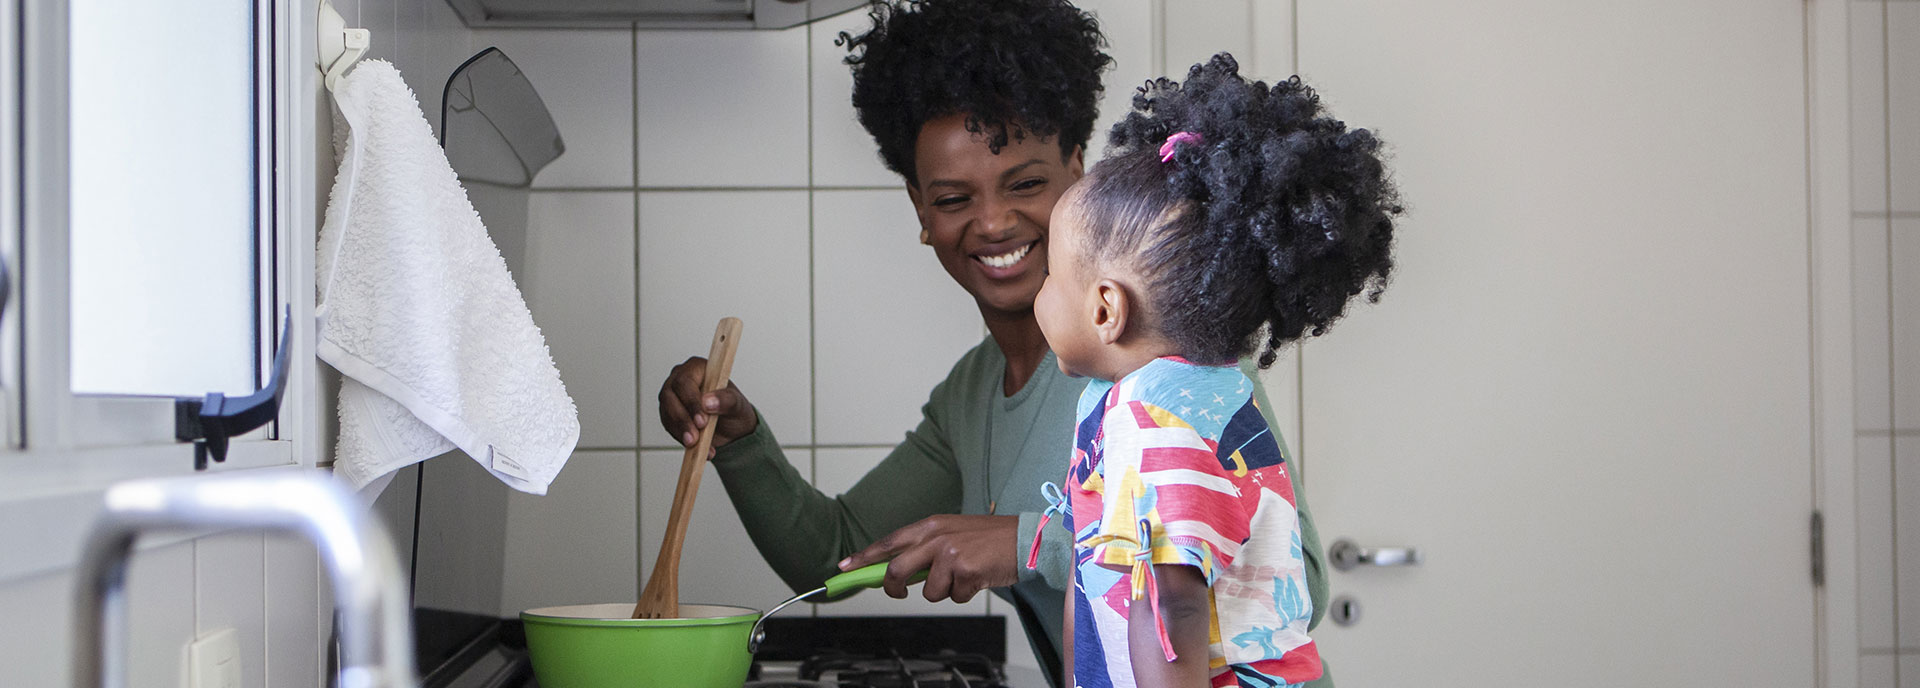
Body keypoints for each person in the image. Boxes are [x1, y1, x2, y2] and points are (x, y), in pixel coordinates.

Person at [653, 2, 1331, 685]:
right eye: (952, 199)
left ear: (1076, 171)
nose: (993, 222)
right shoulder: (972, 394)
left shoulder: (1163, 353)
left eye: (1027, 184)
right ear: (920, 209)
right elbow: (837, 555)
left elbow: (1296, 575)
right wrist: (738, 440)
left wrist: (1029, 544)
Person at [1030, 54, 1399, 687]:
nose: (1040, 296)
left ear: (1105, 309)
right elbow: (1097, 580)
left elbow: (1169, 602)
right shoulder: (1156, 393)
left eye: (1051, 278)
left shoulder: (1157, 419)